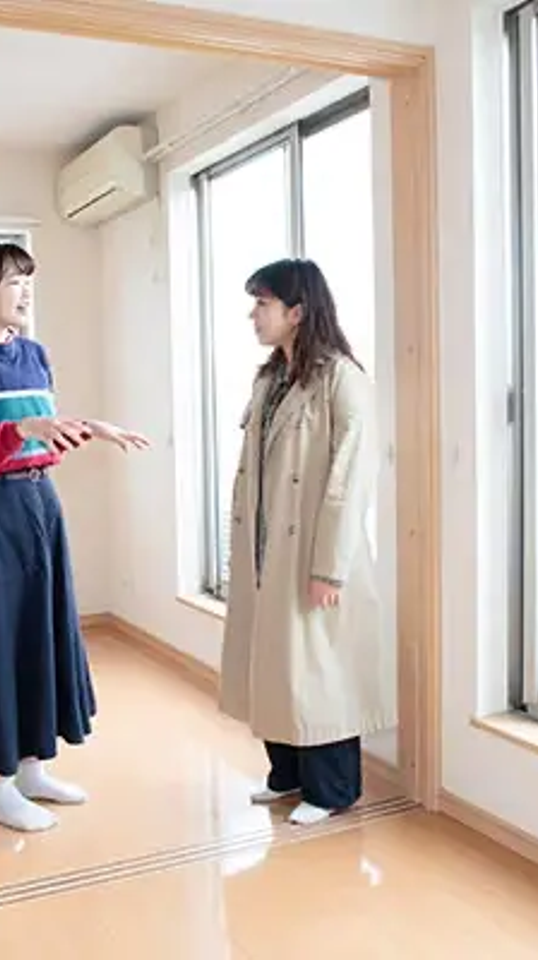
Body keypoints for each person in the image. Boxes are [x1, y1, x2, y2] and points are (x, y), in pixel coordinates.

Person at [0, 240, 149, 834]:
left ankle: (31, 771)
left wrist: (87, 428)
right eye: (13, 282)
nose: (25, 293)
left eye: (28, 281)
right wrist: (23, 427)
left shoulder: (34, 354)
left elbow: (39, 436)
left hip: (40, 503)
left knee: (41, 631)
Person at [218, 258, 395, 827]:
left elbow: (350, 479)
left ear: (297, 311)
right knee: (275, 665)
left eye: (262, 303)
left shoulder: (341, 379)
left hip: (315, 552)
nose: (253, 315)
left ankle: (333, 788)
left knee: (319, 672)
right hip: (267, 548)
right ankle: (287, 774)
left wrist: (329, 567)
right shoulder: (270, 379)